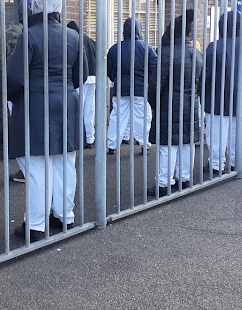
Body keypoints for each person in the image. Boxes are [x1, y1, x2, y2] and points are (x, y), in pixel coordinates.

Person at [7, 0, 88, 242]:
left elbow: (14, 79)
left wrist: (19, 99)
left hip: (36, 105)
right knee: (65, 163)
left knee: (37, 168)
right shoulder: (74, 36)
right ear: (60, 8)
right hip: (67, 104)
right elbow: (81, 76)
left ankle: (36, 225)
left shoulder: (29, 36)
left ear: (36, 6)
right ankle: (64, 216)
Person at [147, 10, 203, 197]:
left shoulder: (166, 53)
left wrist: (153, 103)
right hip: (191, 103)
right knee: (187, 143)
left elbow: (156, 84)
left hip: (169, 105)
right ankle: (184, 178)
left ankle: (164, 183)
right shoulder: (197, 54)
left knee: (167, 145)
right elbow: (201, 83)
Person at [203, 11, 242, 176]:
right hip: (241, 98)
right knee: (238, 132)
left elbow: (206, 75)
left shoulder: (215, 46)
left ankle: (216, 165)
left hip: (217, 97)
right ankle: (237, 163)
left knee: (216, 134)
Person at [105, 17, 157, 154]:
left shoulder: (115, 48)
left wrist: (116, 79)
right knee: (142, 117)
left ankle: (112, 145)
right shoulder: (146, 47)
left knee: (117, 116)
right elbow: (154, 68)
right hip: (140, 88)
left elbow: (109, 70)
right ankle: (144, 144)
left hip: (120, 88)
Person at [1, 0, 34, 184]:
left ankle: (26, 170)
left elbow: (2, 60)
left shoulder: (10, 33)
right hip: (37, 90)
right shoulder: (41, 32)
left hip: (15, 89)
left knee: (20, 132)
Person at [68, 20, 97, 149]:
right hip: (93, 77)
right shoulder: (90, 40)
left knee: (78, 109)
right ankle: (90, 138)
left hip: (81, 77)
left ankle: (79, 139)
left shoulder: (73, 40)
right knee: (89, 109)